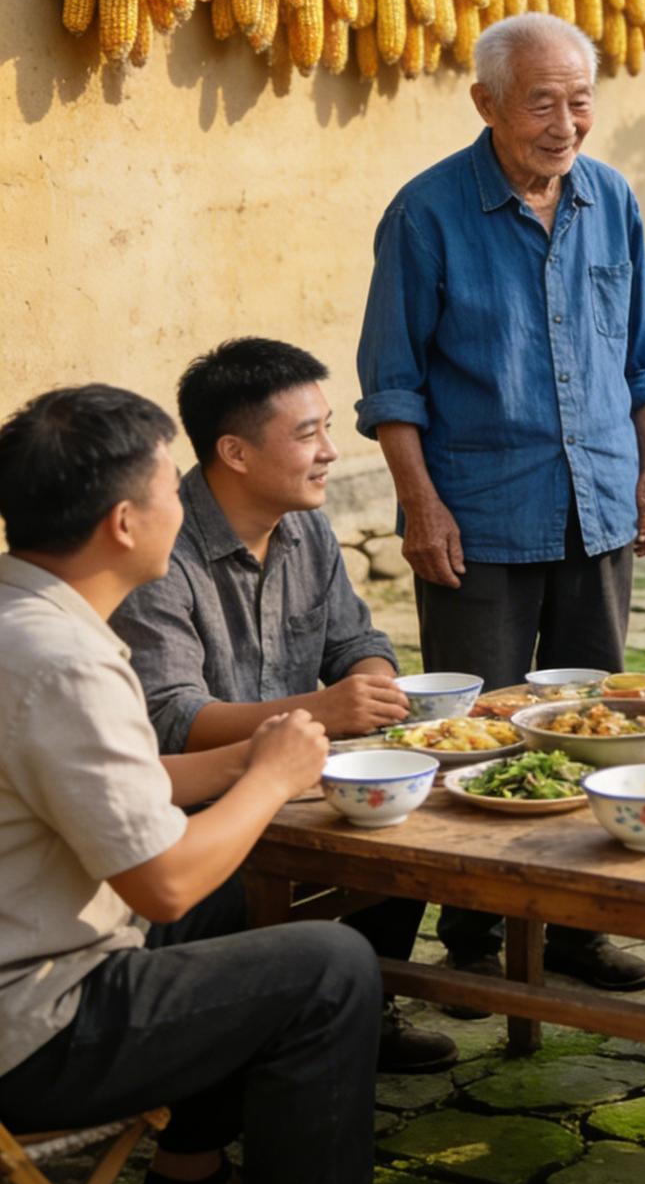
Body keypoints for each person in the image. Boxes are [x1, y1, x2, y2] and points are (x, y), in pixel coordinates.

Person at [0, 384, 416, 1184]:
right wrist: (268, 782)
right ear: (122, 522)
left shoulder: (23, 619)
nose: (177, 506)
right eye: (165, 489)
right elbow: (164, 883)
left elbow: (112, 787)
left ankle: (183, 1179)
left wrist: (252, 758)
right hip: (28, 1022)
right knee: (328, 967)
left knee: (233, 899)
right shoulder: (64, 659)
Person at [356, 13, 645, 1001]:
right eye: (542, 99)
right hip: (479, 513)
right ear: (486, 102)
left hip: (599, 499)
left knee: (596, 720)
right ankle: (471, 929)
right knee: (478, 727)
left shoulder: (610, 196)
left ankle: (575, 926)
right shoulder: (426, 214)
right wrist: (418, 505)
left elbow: (642, 354)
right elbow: (392, 381)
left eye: (581, 97)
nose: (566, 120)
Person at [111, 338, 453, 1073]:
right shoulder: (160, 551)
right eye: (309, 434)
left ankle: (372, 1003)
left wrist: (370, 681)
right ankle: (262, 1036)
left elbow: (357, 638)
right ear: (234, 452)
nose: (332, 451)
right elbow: (172, 716)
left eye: (329, 427)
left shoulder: (305, 525)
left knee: (410, 797)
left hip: (303, 776)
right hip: (203, 804)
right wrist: (322, 714)